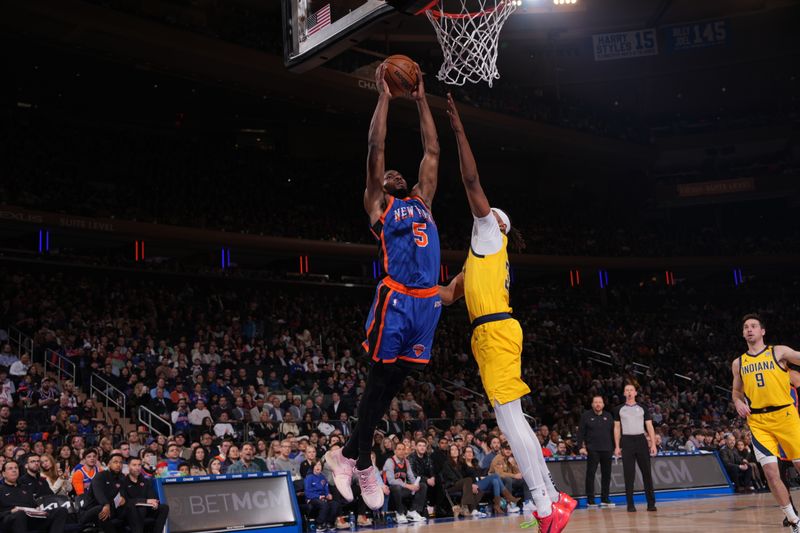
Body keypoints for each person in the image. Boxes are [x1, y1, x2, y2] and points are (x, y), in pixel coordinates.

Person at [438, 93, 571, 532]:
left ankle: (543, 507)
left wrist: (458, 130)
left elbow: (471, 181)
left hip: (495, 332)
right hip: (491, 332)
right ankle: (553, 497)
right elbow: (445, 296)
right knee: (511, 417)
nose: (482, 212)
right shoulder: (476, 262)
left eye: (489, 213)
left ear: (498, 225)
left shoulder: (490, 235)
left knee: (510, 419)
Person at [325, 60, 442, 513]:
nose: (393, 174)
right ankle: (363, 459)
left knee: (396, 381)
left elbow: (432, 151)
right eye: (388, 175)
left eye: (398, 175)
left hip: (426, 302)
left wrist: (420, 100)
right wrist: (384, 97)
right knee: (378, 381)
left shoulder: (424, 201)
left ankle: (351, 452)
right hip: (395, 297)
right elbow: (376, 145)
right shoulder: (379, 205)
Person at [732, 314, 800, 532]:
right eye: (745, 327)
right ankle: (794, 521)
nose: (749, 329)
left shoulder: (778, 351)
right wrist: (737, 402)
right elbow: (736, 391)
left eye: (753, 326)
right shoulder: (738, 362)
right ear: (743, 333)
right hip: (758, 422)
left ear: (762, 331)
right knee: (771, 472)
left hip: (786, 416)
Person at [613, 383, 657, 512]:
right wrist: (617, 446)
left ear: (635, 393)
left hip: (641, 440)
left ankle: (651, 503)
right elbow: (617, 428)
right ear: (624, 393)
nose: (629, 392)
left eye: (631, 390)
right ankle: (630, 504)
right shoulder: (618, 409)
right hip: (626, 441)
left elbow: (649, 426)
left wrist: (653, 443)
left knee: (647, 473)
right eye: (627, 390)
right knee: (629, 474)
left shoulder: (643, 408)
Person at [0, 460, 67, 533]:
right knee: (20, 513)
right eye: (10, 468)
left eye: (16, 468)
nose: (14, 470)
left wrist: (37, 509)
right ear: (3, 474)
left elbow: (33, 505)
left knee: (61, 510)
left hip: (31, 518)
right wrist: (11, 511)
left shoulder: (25, 487)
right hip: (10, 519)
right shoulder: (1, 489)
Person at [577, 395, 615, 507]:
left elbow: (613, 433)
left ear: (603, 404)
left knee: (606, 475)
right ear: (592, 404)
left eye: (600, 402)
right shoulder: (586, 416)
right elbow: (580, 433)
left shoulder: (608, 416)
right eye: (596, 402)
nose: (598, 404)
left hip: (607, 449)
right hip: (592, 449)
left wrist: (617, 446)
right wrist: (581, 447)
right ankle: (591, 500)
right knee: (591, 474)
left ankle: (605, 499)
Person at [83, 453, 132, 533]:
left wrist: (123, 497)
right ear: (109, 464)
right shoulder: (100, 476)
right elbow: (99, 493)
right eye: (115, 462)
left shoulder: (122, 477)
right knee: (102, 509)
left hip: (112, 508)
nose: (118, 465)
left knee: (129, 507)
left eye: (120, 462)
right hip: (91, 510)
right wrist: (106, 504)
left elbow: (123, 491)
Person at [382, 443, 427, 524]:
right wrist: (408, 486)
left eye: (403, 449)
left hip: (402, 489)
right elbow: (391, 481)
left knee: (422, 486)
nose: (401, 451)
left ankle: (412, 511)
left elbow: (411, 477)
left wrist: (415, 485)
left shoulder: (406, 461)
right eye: (399, 449)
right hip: (389, 491)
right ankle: (400, 513)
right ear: (395, 451)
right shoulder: (390, 461)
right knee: (396, 487)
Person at [123, 456, 170, 533]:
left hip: (146, 509)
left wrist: (154, 502)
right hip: (131, 511)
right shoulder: (123, 481)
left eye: (139, 465)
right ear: (128, 466)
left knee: (164, 507)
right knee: (137, 508)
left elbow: (152, 496)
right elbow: (126, 501)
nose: (137, 468)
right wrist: (145, 501)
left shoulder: (145, 481)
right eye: (134, 465)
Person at [439, 444, 485, 518]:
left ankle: (468, 509)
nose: (455, 451)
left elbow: (465, 476)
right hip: (451, 486)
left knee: (480, 490)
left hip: (462, 484)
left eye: (456, 449)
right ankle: (465, 507)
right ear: (449, 452)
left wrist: (471, 485)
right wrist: (469, 484)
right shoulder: (446, 464)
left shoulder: (461, 464)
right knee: (468, 480)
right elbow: (453, 478)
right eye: (452, 450)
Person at [304, 460, 339, 533]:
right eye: (316, 465)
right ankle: (319, 524)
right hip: (312, 498)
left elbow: (326, 490)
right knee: (324, 504)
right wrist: (318, 496)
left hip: (323, 498)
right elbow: (307, 493)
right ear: (313, 467)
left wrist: (328, 495)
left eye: (319, 465)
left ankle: (329, 522)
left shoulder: (323, 477)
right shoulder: (309, 477)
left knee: (335, 504)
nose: (318, 467)